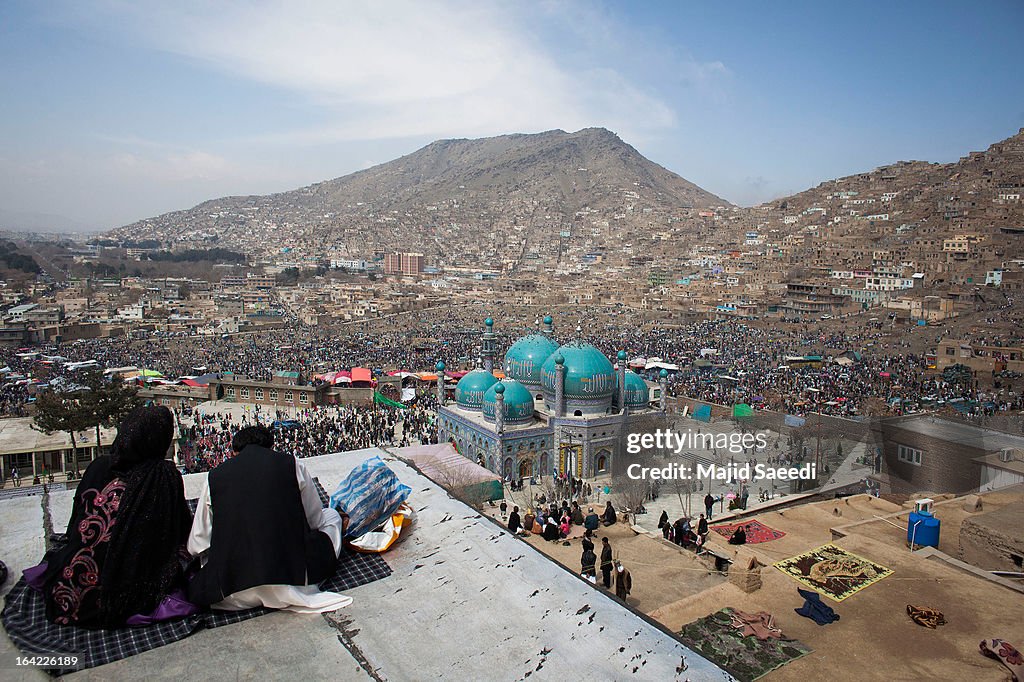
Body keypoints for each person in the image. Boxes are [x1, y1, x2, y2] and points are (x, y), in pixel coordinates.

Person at [34, 406, 192, 628]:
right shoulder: (163, 476)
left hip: (68, 587)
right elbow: (181, 531)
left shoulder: (99, 467)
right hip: (121, 594)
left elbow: (76, 523)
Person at [187, 425, 349, 612]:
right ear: (271, 447)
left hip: (234, 594)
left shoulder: (213, 477)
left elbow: (197, 545)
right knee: (331, 516)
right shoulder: (291, 464)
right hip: (294, 582)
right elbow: (315, 520)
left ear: (233, 453)